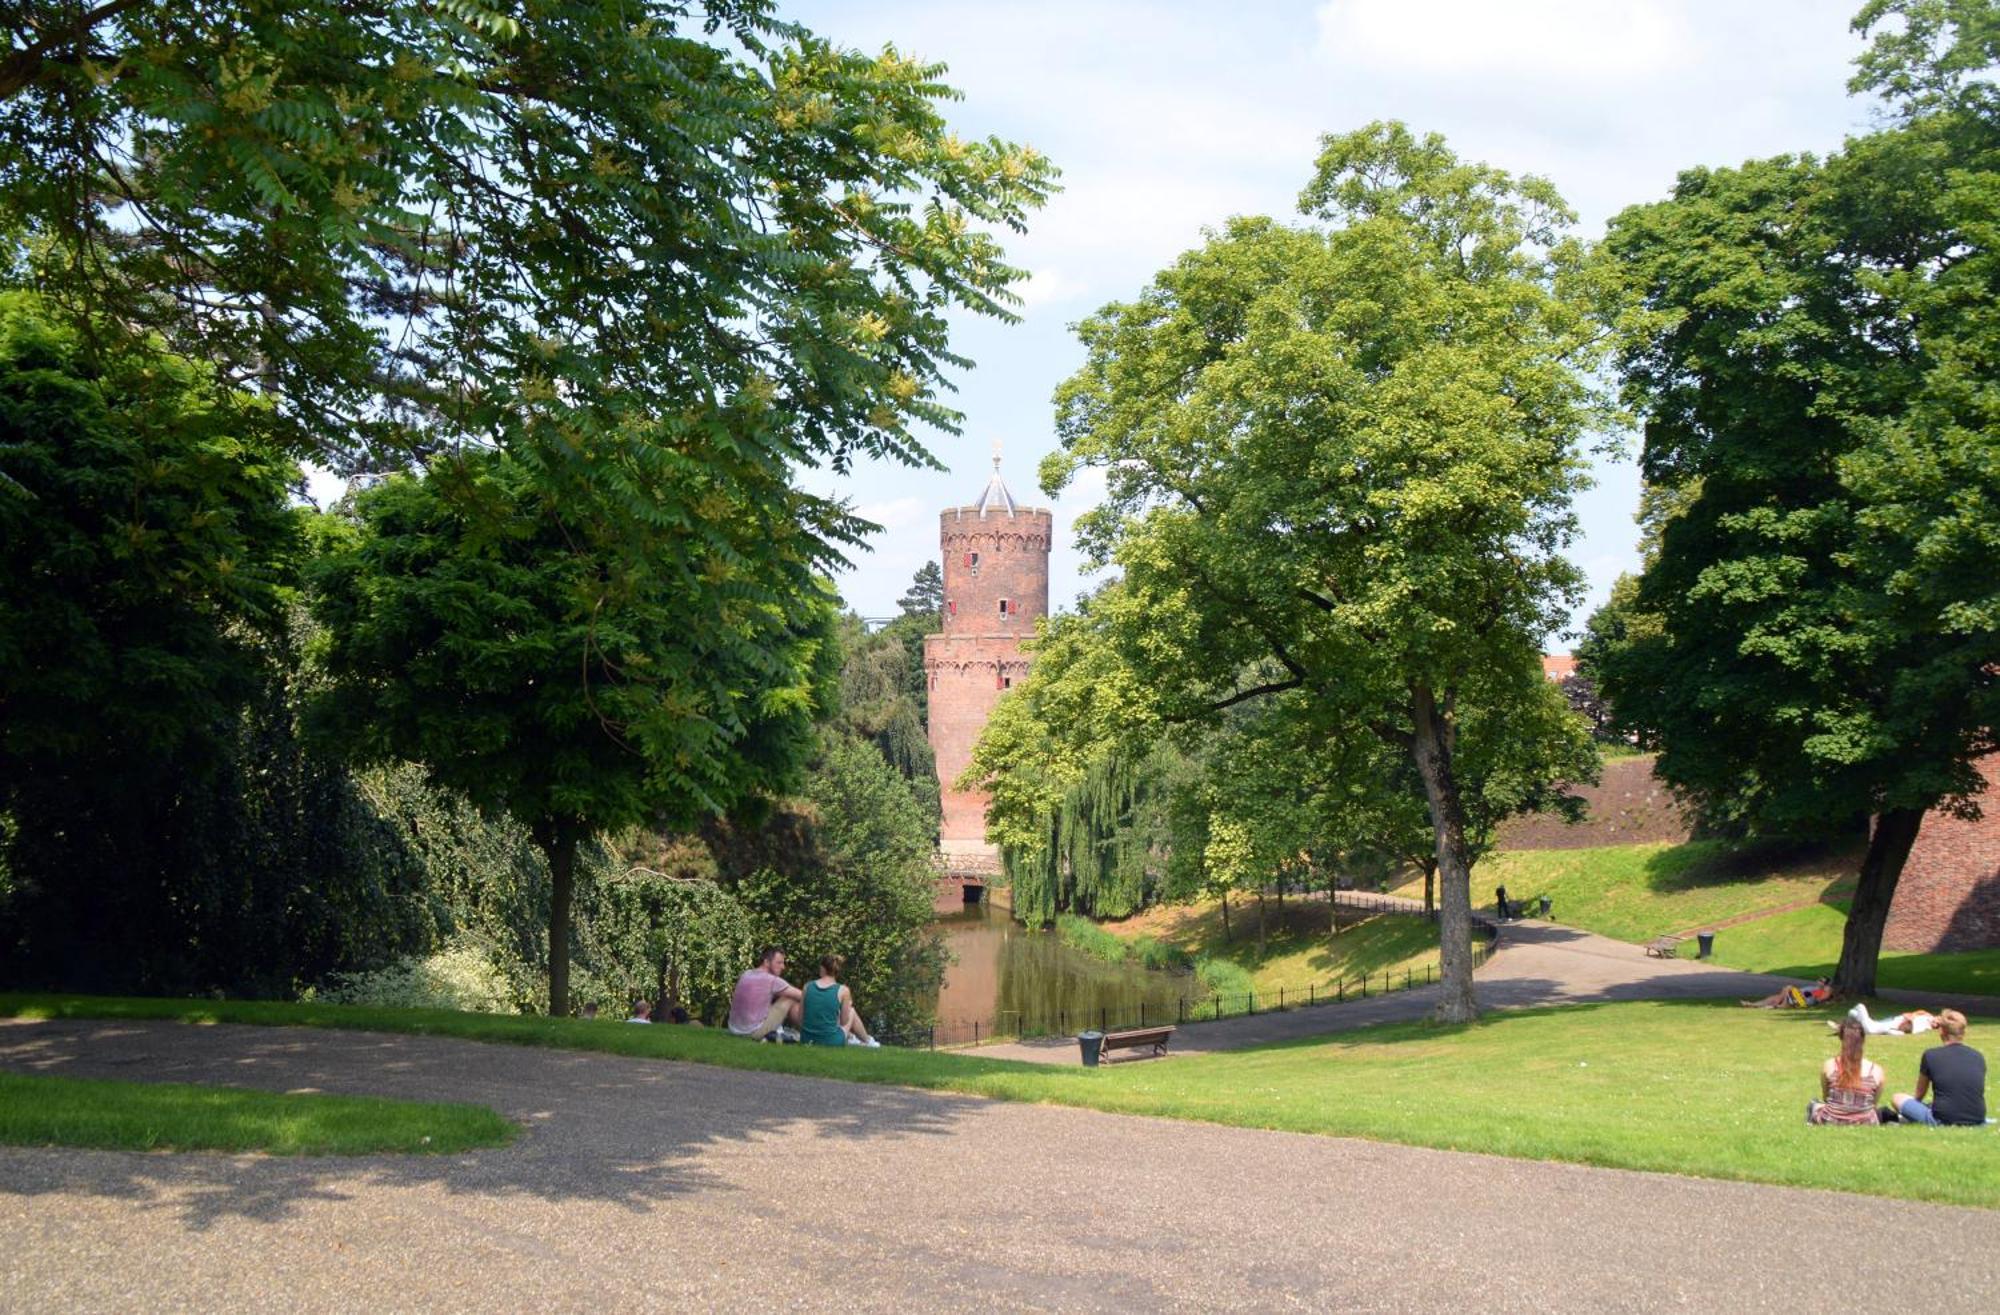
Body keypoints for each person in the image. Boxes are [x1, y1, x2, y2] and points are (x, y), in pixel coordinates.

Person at [1890, 1010, 1987, 1127]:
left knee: (1898, 1098)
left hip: (1943, 1119)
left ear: (1941, 1031)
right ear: (1963, 1033)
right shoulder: (1978, 1056)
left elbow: (1919, 1095)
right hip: (1977, 1117)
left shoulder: (1931, 1055)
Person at [1806, 1017, 1883, 1125]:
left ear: (1841, 1038)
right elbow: (1873, 1103)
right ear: (1863, 1039)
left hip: (1831, 1119)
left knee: (1814, 1104)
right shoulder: (1876, 1070)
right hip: (1866, 1121)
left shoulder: (1830, 1066)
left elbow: (1826, 1097)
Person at [798, 953, 881, 1049]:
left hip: (806, 1039)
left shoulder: (807, 986)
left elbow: (800, 1019)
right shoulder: (843, 990)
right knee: (851, 1011)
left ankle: (853, 1039)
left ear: (823, 968)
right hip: (831, 1041)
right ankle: (868, 1041)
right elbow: (844, 1022)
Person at [727, 946, 803, 1042]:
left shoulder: (746, 974)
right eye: (779, 963)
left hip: (734, 1030)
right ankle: (810, 1035)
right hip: (752, 1033)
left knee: (782, 998)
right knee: (790, 999)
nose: (783, 967)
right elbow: (804, 996)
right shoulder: (771, 980)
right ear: (766, 962)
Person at [1832, 1002, 1937, 1037]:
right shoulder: (1898, 1028)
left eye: (1906, 1023)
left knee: (1860, 1006)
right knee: (1852, 1012)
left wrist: (1908, 1019)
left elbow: (1888, 1030)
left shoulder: (1898, 1029)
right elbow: (1920, 1012)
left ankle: (1842, 1026)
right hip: (1872, 1025)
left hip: (1871, 1027)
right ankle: (1843, 1026)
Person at [1741, 977, 1833, 1009]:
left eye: (1822, 981)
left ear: (1826, 984)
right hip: (1797, 997)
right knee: (1773, 997)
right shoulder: (1815, 988)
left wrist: (1824, 990)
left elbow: (1818, 999)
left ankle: (1780, 1004)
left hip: (1803, 1001)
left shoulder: (1823, 991)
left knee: (1788, 987)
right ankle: (1753, 1004)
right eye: (1820, 980)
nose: (1819, 982)